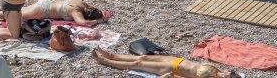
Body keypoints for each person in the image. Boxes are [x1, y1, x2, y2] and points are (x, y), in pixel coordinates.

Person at [92, 49, 239, 77]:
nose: (231, 71)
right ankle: (112, 55)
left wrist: (170, 76)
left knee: (137, 64)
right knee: (142, 58)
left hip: (172, 68)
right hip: (177, 60)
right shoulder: (218, 69)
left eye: (232, 74)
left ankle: (104, 61)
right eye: (233, 72)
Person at [0, 0, 104, 25]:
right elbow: (81, 22)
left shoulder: (83, 4)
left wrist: (102, 14)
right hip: (44, 10)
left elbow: (101, 10)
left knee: (20, 10)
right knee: (16, 15)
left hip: (47, 2)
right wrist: (98, 21)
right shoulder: (76, 11)